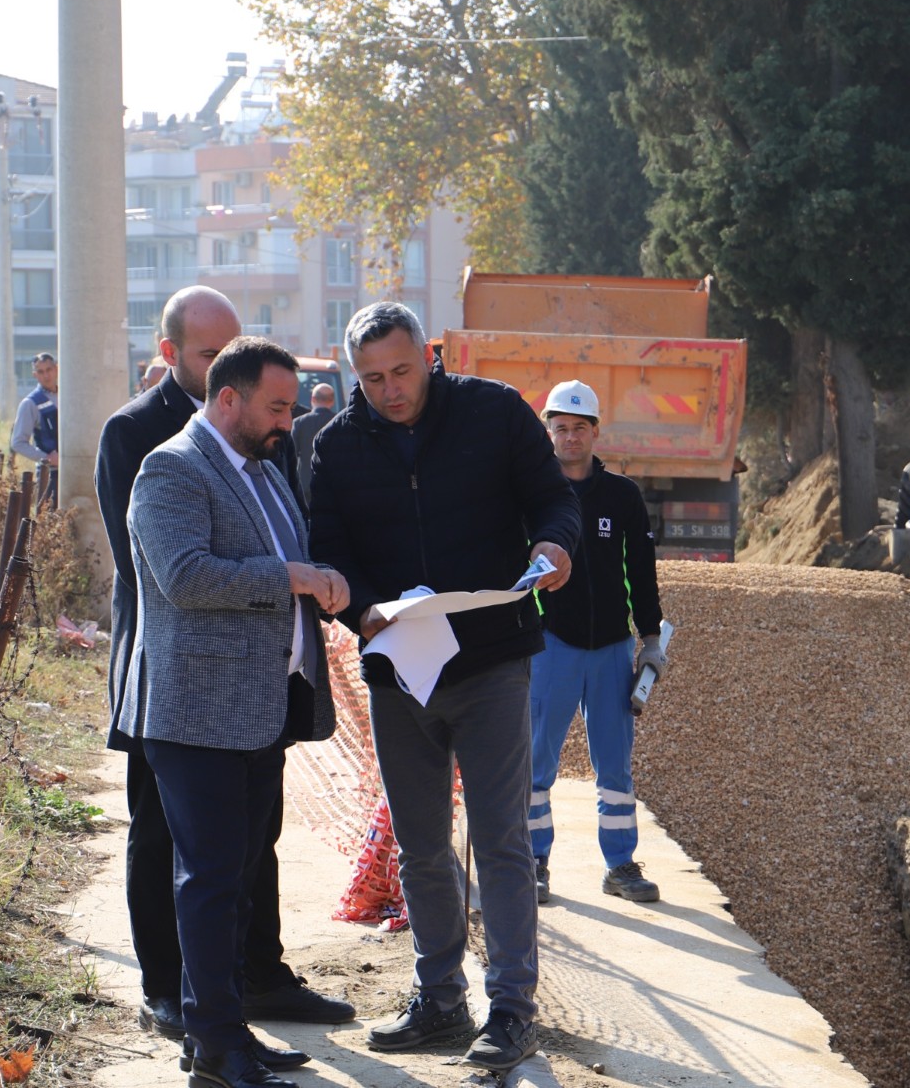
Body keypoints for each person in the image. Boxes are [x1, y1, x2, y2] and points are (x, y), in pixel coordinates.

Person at [309, 302, 578, 1073]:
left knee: (499, 841)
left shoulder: (494, 412)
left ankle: (513, 1009)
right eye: (371, 379)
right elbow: (328, 550)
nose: (390, 391)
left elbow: (553, 498)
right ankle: (439, 998)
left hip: (493, 660)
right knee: (422, 845)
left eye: (401, 371)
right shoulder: (336, 447)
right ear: (351, 375)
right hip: (400, 669)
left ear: (427, 354)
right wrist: (365, 610)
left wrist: (555, 545)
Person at [94, 287, 349, 1048]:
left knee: (237, 860)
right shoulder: (156, 452)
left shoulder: (261, 459)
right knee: (185, 857)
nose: (291, 422)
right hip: (186, 691)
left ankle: (241, 993)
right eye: (279, 406)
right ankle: (185, 1008)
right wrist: (291, 579)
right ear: (219, 387)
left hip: (255, 696)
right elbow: (174, 576)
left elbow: (286, 543)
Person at [527, 380, 665, 905]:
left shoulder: (622, 496)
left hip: (610, 648)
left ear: (595, 432)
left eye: (579, 428)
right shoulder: (533, 497)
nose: (570, 437)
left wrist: (649, 639)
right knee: (538, 760)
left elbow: (640, 573)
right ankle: (534, 862)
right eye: (560, 427)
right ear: (548, 432)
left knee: (615, 765)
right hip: (550, 646)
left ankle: (621, 865)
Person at [10, 352, 59, 505]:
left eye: (49, 369)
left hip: (74, 471)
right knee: (51, 523)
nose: (46, 375)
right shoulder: (30, 403)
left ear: (56, 369)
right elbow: (18, 442)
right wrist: (46, 458)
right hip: (51, 475)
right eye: (41, 371)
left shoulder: (70, 396)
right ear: (35, 375)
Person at [288, 381, 337, 509]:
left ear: (313, 399)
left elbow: (291, 455)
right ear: (332, 401)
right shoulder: (340, 422)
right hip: (335, 483)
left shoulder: (299, 422)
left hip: (306, 483)